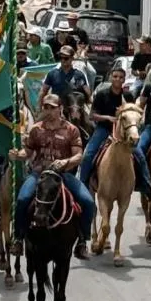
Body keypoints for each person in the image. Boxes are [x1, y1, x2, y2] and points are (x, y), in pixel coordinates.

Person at [11, 93, 96, 260]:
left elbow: (79, 156)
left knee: (88, 202)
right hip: (39, 174)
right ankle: (18, 239)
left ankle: (82, 241)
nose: (49, 111)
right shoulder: (36, 129)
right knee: (22, 199)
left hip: (62, 175)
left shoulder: (71, 130)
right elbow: (28, 151)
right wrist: (17, 155)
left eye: (52, 108)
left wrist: (65, 162)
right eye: (46, 107)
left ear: (60, 108)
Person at [78, 66, 151, 197]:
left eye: (121, 77)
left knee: (140, 155)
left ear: (124, 79)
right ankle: (82, 185)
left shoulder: (128, 96)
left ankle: (148, 186)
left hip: (124, 132)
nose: (118, 79)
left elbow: (133, 112)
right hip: (104, 129)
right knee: (88, 155)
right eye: (115, 76)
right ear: (110, 78)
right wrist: (108, 118)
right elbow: (92, 115)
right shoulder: (102, 94)